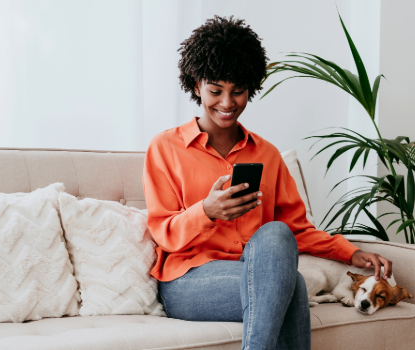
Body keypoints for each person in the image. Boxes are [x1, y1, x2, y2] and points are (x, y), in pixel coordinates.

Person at [142, 15, 393, 350]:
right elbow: (163, 231)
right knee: (291, 287)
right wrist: (207, 211)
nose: (228, 103)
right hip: (188, 279)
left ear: (251, 88)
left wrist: (352, 252)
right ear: (196, 85)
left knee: (277, 234)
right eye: (216, 90)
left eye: (239, 91)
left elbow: (298, 230)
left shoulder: (267, 155)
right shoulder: (165, 148)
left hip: (254, 270)